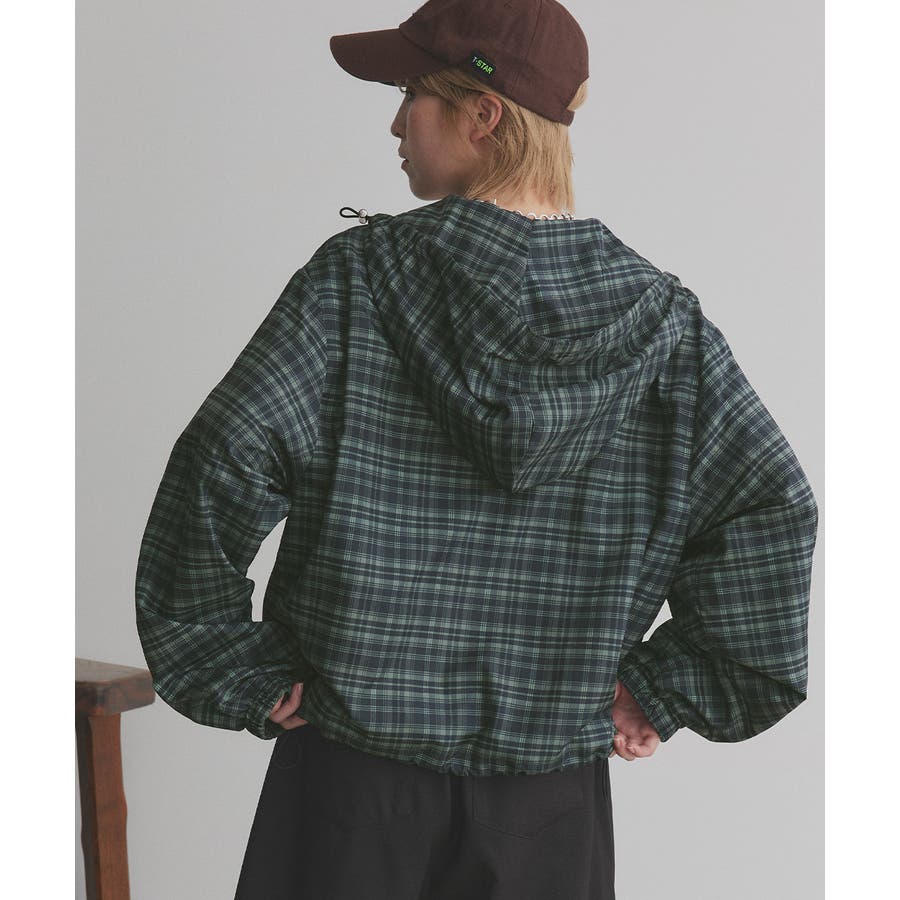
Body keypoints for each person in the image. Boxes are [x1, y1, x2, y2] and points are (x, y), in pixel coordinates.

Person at [133, 1, 819, 898]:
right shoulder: (664, 328)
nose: (395, 123)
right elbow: (770, 509)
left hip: (349, 788)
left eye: (411, 95)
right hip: (550, 802)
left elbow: (221, 464)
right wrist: (666, 688)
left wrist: (229, 663)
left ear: (482, 114)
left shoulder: (355, 284)